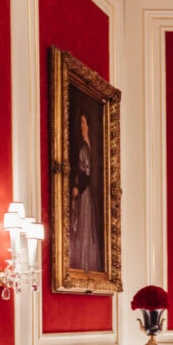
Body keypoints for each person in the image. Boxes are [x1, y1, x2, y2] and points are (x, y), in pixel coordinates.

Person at [70, 109, 103, 272]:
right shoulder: (82, 147)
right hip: (83, 192)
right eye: (80, 123)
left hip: (85, 192)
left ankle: (86, 264)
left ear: (89, 126)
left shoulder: (89, 147)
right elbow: (80, 172)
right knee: (82, 228)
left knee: (86, 228)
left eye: (84, 123)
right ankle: (82, 265)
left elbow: (87, 174)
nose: (81, 126)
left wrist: (79, 187)